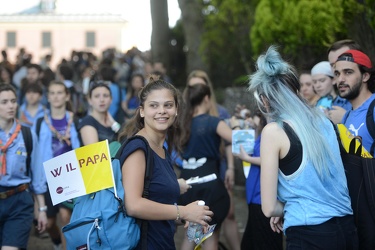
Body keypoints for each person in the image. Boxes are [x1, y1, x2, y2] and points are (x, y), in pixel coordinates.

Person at [249, 46, 357, 249]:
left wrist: (288, 209)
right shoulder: (324, 120)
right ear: (297, 92)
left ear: (264, 100)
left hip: (309, 233)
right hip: (347, 228)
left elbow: (269, 207)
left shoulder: (274, 131)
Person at [117, 76, 213, 249]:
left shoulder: (162, 148)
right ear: (142, 111)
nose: (162, 111)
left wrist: (188, 217)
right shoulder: (138, 148)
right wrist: (183, 211)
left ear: (176, 110)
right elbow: (133, 205)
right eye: (154, 105)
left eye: (168, 105)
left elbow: (156, 201)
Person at [179, 83, 239, 250]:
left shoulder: (182, 124)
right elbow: (240, 140)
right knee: (210, 237)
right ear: (206, 98)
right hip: (210, 185)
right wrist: (236, 125)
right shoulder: (213, 122)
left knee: (190, 236)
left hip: (187, 185)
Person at [334, 49, 375, 249]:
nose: (340, 79)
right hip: (355, 215)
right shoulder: (347, 116)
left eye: (348, 72)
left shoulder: (374, 109)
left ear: (365, 75)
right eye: (337, 73)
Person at [33, 80, 81, 250]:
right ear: (48, 97)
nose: (56, 96)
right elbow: (35, 152)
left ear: (67, 95)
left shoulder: (75, 120)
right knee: (50, 222)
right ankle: (57, 243)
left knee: (66, 216)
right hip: (47, 178)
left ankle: (67, 246)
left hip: (70, 177)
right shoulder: (40, 122)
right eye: (52, 93)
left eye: (60, 92)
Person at [0, 83, 48, 249]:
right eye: (4, 102)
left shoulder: (27, 134)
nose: (10, 106)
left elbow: (37, 173)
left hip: (19, 201)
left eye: (13, 101)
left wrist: (41, 209)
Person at [235, 109, 283, 250]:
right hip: (253, 197)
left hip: (263, 197)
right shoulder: (262, 132)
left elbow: (270, 159)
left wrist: (247, 159)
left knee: (265, 242)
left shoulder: (275, 129)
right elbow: (244, 147)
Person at [327, 39, 361, 124]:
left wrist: (346, 118)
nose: (336, 68)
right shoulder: (335, 102)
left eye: (342, 60)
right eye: (332, 65)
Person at [78, 81, 119, 145]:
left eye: (105, 96)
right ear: (90, 100)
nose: (102, 100)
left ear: (111, 100)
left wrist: (114, 123)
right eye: (97, 96)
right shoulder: (88, 122)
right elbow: (94, 153)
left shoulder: (112, 122)